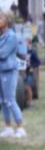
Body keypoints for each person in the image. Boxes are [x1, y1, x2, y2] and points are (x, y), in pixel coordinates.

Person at [0, 11, 26, 139]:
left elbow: (3, 54)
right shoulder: (2, 35)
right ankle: (8, 127)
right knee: (3, 102)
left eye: (0, 18)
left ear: (7, 21)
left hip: (9, 71)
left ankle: (20, 128)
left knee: (10, 100)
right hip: (1, 70)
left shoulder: (11, 36)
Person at [25, 37, 40, 108]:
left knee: (28, 87)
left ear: (30, 44)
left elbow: (38, 61)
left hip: (30, 72)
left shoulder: (32, 52)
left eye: (26, 43)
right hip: (23, 71)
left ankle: (30, 102)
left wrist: (32, 67)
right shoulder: (21, 53)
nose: (25, 45)